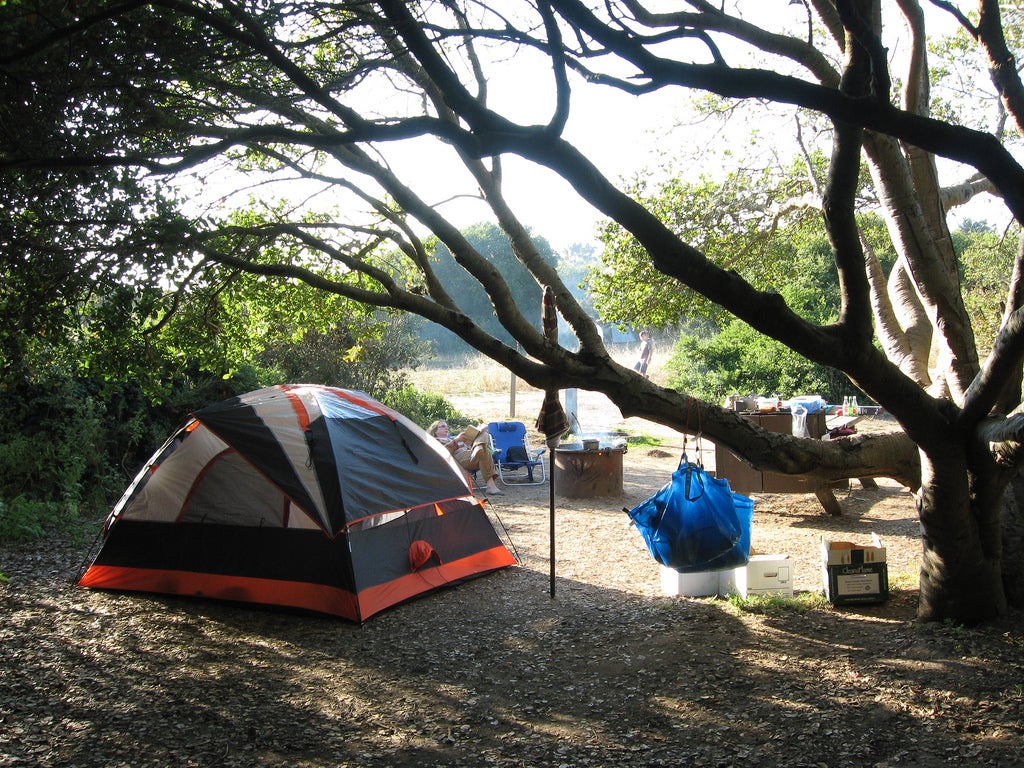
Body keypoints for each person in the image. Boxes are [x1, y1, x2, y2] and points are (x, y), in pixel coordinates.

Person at [428, 420, 504, 495]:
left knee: (484, 433)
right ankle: (491, 487)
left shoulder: (451, 438)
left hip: (469, 455)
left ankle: (478, 448)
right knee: (485, 451)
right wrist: (457, 440)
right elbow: (442, 452)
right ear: (435, 431)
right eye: (442, 426)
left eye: (447, 426)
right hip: (457, 459)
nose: (446, 428)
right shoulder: (434, 441)